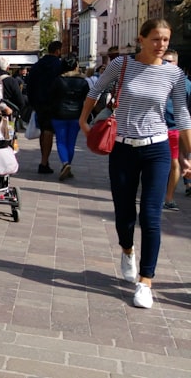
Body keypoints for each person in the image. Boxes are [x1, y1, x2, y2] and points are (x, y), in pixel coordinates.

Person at [79, 19, 191, 309]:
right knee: (125, 212)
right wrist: (84, 120)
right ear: (141, 39)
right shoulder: (121, 65)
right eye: (156, 39)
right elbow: (95, 91)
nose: (161, 45)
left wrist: (188, 154)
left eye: (166, 40)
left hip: (157, 148)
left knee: (151, 216)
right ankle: (127, 250)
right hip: (123, 148)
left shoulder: (174, 74)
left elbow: (182, 113)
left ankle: (145, 281)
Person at [48, 55, 89, 181]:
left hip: (59, 114)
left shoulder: (58, 80)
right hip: (76, 114)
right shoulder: (83, 82)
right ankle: (67, 165)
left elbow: (51, 97)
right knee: (71, 142)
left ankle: (66, 163)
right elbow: (87, 99)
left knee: (61, 141)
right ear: (76, 66)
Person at [26, 40, 64, 174]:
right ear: (58, 51)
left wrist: (32, 103)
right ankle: (44, 162)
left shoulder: (37, 65)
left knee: (44, 131)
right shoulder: (59, 65)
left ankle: (45, 160)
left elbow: (29, 85)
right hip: (53, 103)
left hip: (39, 103)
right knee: (49, 131)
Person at [162, 49, 191, 210]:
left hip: (174, 127)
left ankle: (169, 197)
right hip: (155, 128)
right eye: (164, 60)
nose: (166, 64)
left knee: (174, 163)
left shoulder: (186, 84)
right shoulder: (156, 78)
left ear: (176, 63)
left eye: (169, 61)